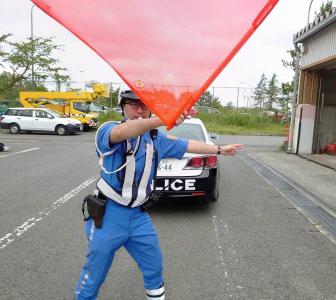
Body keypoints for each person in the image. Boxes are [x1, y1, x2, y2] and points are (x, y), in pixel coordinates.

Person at [75, 90, 244, 300]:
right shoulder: (108, 130)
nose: (138, 109)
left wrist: (219, 149)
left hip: (138, 216)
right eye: (132, 104)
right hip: (109, 215)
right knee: (95, 273)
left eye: (144, 105)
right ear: (123, 107)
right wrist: (162, 118)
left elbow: (187, 145)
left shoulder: (155, 139)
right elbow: (123, 132)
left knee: (154, 266)